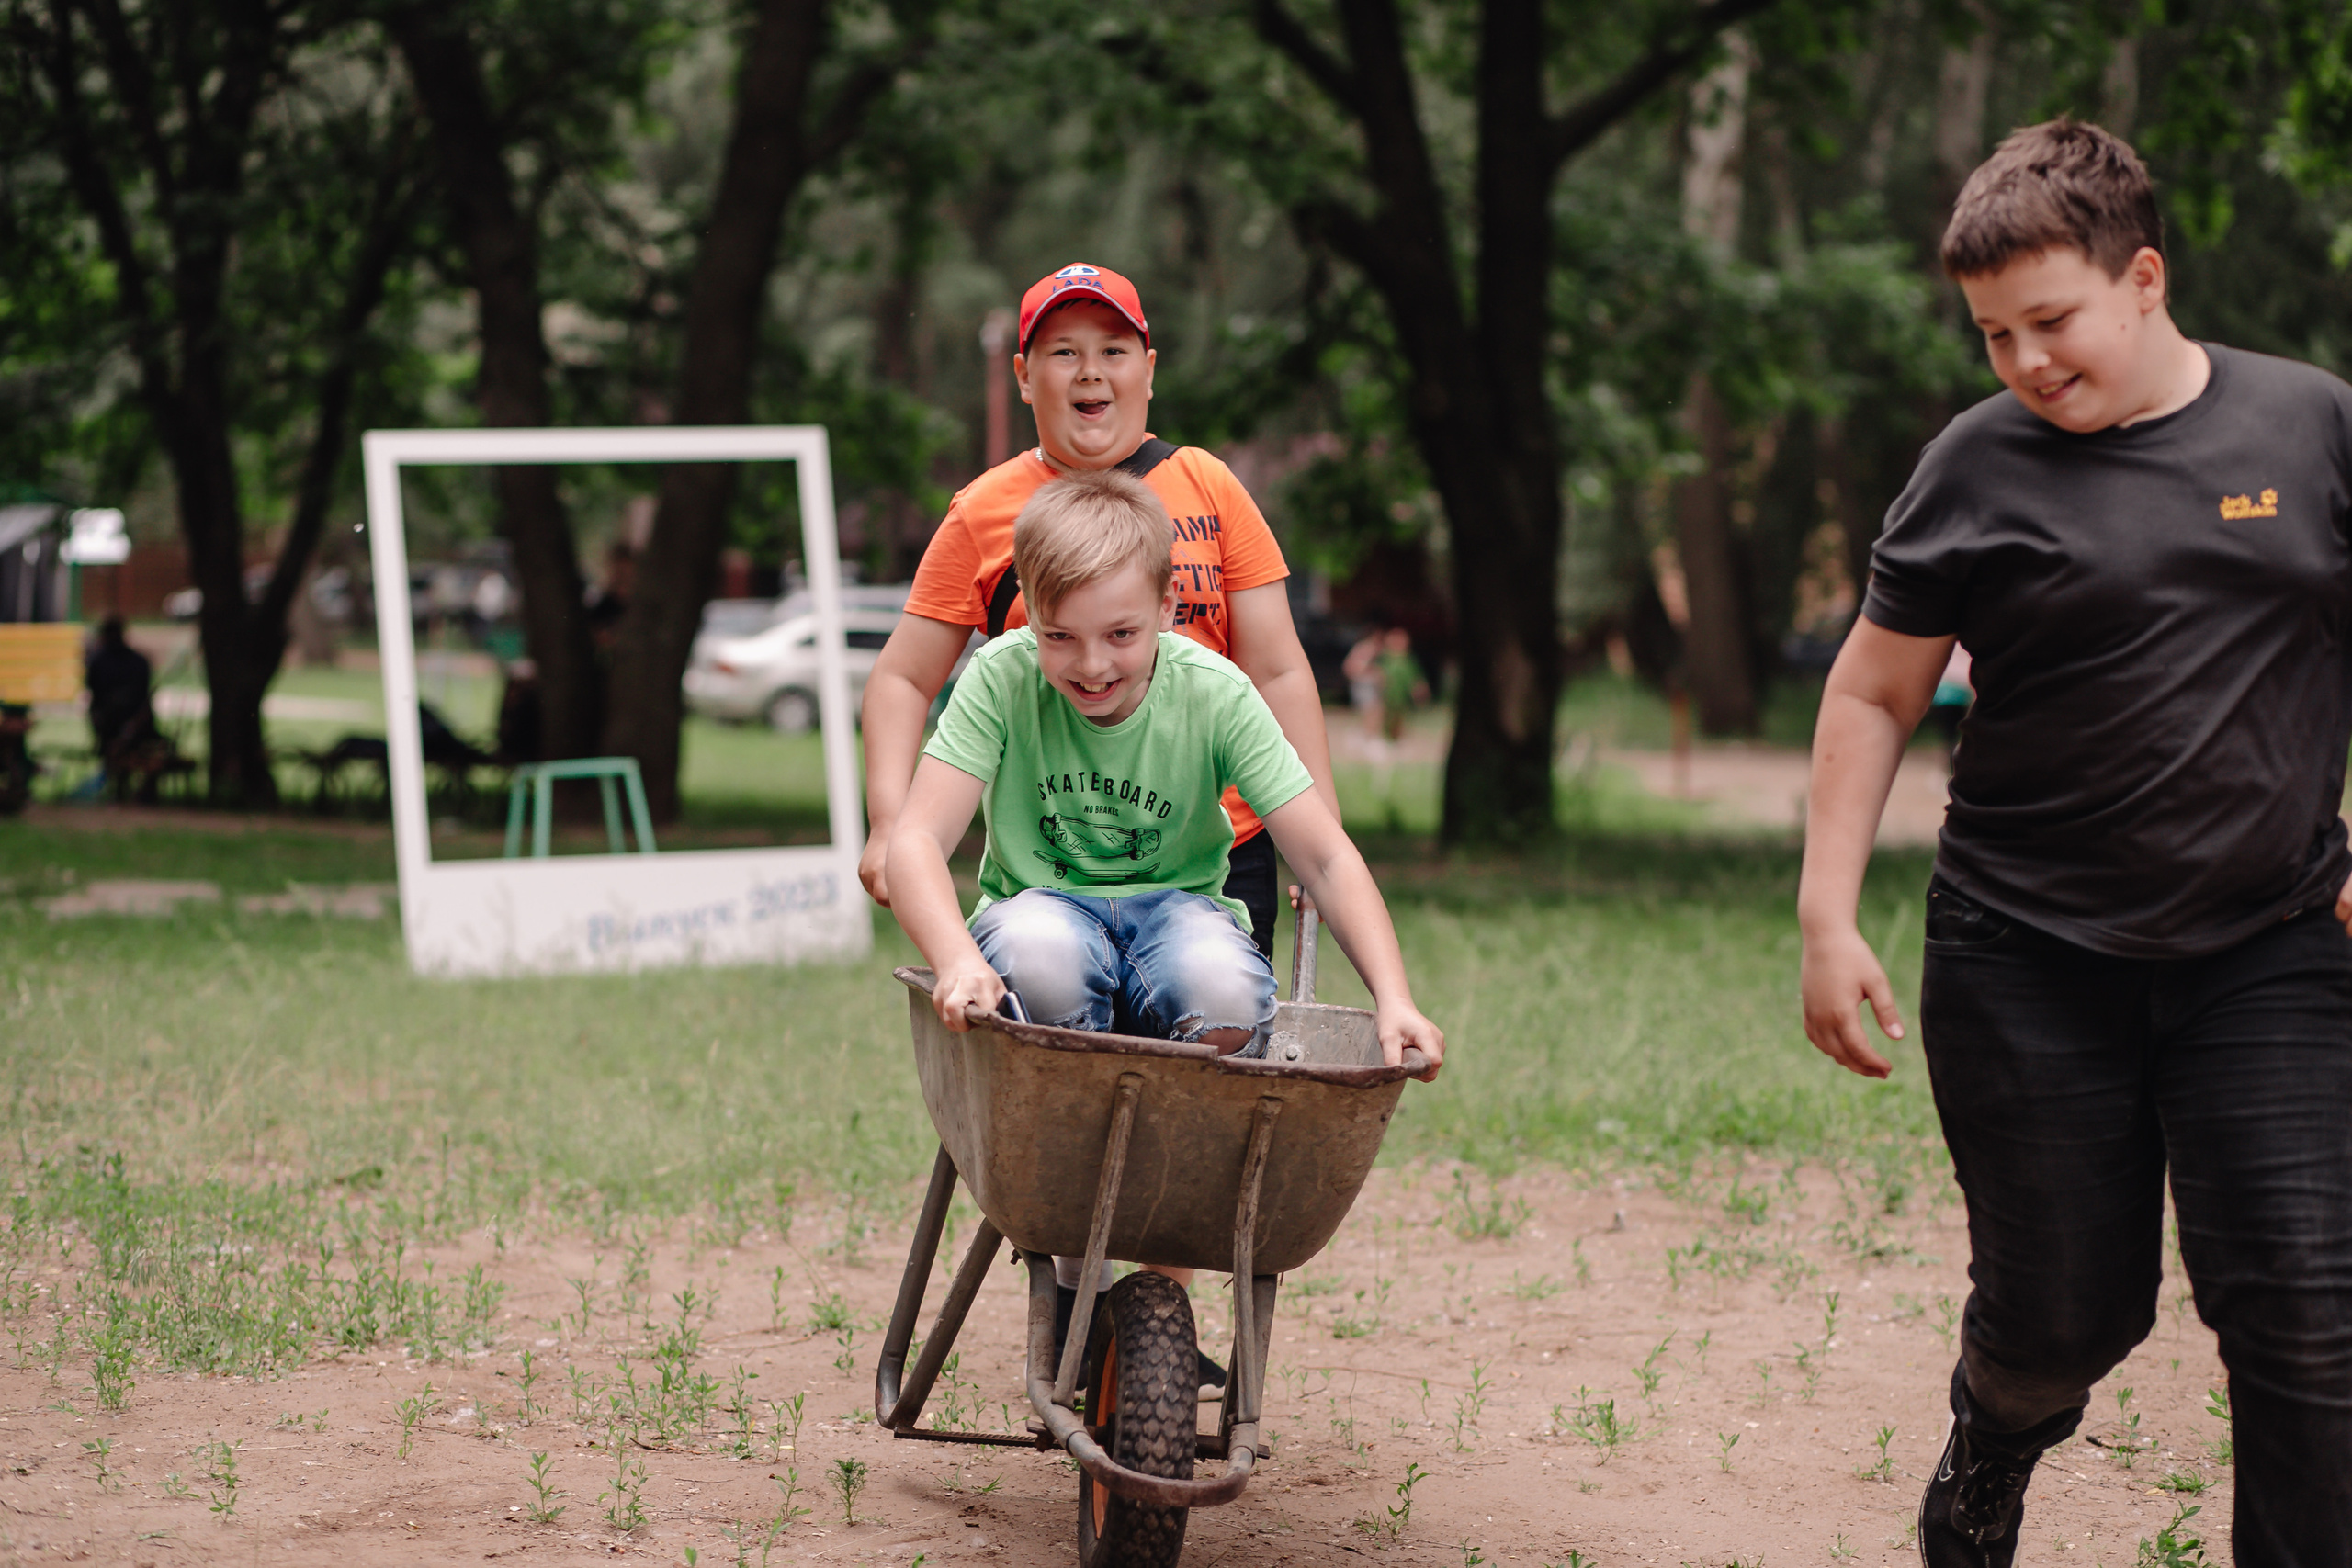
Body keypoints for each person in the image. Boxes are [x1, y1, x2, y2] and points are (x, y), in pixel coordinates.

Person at [1798, 118, 2352, 1565]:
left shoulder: (2312, 427)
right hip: (2025, 950)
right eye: (1995, 333)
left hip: (2272, 943)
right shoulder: (1975, 465)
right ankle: (1995, 1435)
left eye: (2051, 319)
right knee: (2065, 1312)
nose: (2026, 360)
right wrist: (1827, 916)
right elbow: (1873, 690)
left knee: (2307, 1309)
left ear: (2145, 277)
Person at [887, 468, 1445, 1382]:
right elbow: (916, 841)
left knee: (1223, 990)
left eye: (1121, 634)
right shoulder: (1001, 677)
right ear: (1028, 611)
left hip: (1174, 915)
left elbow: (1325, 857)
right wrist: (954, 959)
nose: (1091, 665)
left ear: (1168, 610)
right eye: (1060, 636)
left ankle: (1154, 1251)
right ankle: (1080, 1275)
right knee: (1039, 958)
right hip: (1045, 907)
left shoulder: (1213, 691)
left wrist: (1395, 997)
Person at [860, 263, 1335, 960]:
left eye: (1113, 350)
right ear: (1024, 377)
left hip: (1219, 846)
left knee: (1212, 1016)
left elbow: (1277, 670)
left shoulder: (1211, 486)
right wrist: (887, 822)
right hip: (1056, 856)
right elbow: (902, 677)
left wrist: (1322, 833)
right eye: (1064, 352)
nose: (1090, 371)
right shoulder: (982, 511)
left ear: (1149, 369)